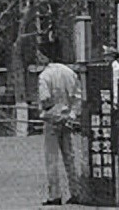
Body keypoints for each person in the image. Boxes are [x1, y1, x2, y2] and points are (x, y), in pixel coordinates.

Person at [37, 49, 86, 206]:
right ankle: (76, 191)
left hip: (52, 120)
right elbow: (78, 97)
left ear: (46, 56)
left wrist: (48, 110)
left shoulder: (45, 76)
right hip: (67, 118)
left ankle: (55, 195)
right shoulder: (70, 73)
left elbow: (45, 99)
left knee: (51, 158)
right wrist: (72, 114)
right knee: (69, 156)